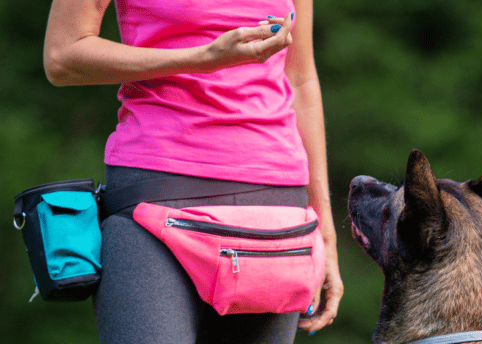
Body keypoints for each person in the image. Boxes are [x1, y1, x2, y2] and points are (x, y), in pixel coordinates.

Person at [43, 0, 343, 343]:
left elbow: (300, 80)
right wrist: (200, 58)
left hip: (276, 211)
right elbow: (62, 57)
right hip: (158, 199)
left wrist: (326, 234)